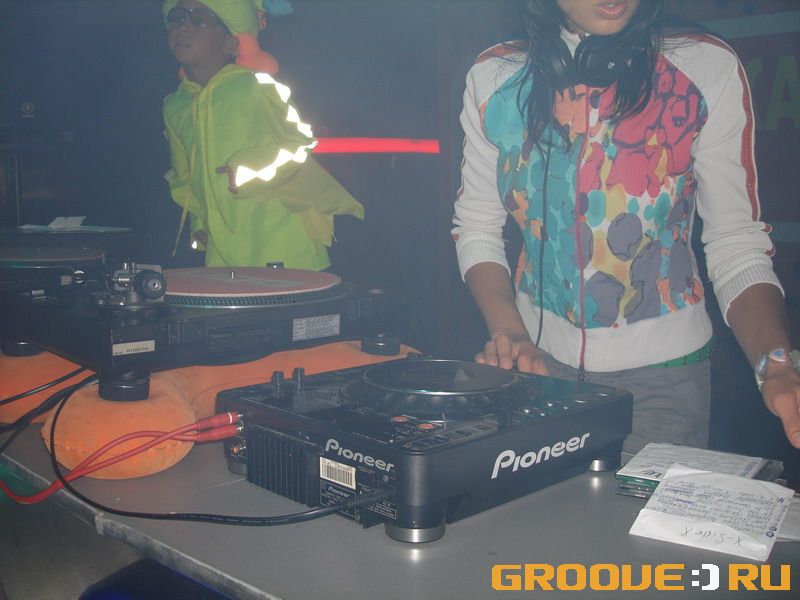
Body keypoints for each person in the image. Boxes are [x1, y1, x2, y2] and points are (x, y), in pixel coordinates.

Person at [452, 0, 800, 454]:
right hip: (537, 372)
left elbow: (735, 242)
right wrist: (510, 333)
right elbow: (477, 227)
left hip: (664, 387)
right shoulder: (494, 78)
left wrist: (775, 361)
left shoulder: (704, 66)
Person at [162, 0, 363, 269]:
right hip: (222, 252)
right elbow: (184, 177)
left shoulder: (257, 86)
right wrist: (199, 223)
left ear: (230, 43)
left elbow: (300, 144)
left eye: (198, 20)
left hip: (282, 243)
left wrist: (249, 168)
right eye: (176, 18)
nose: (183, 27)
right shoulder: (175, 106)